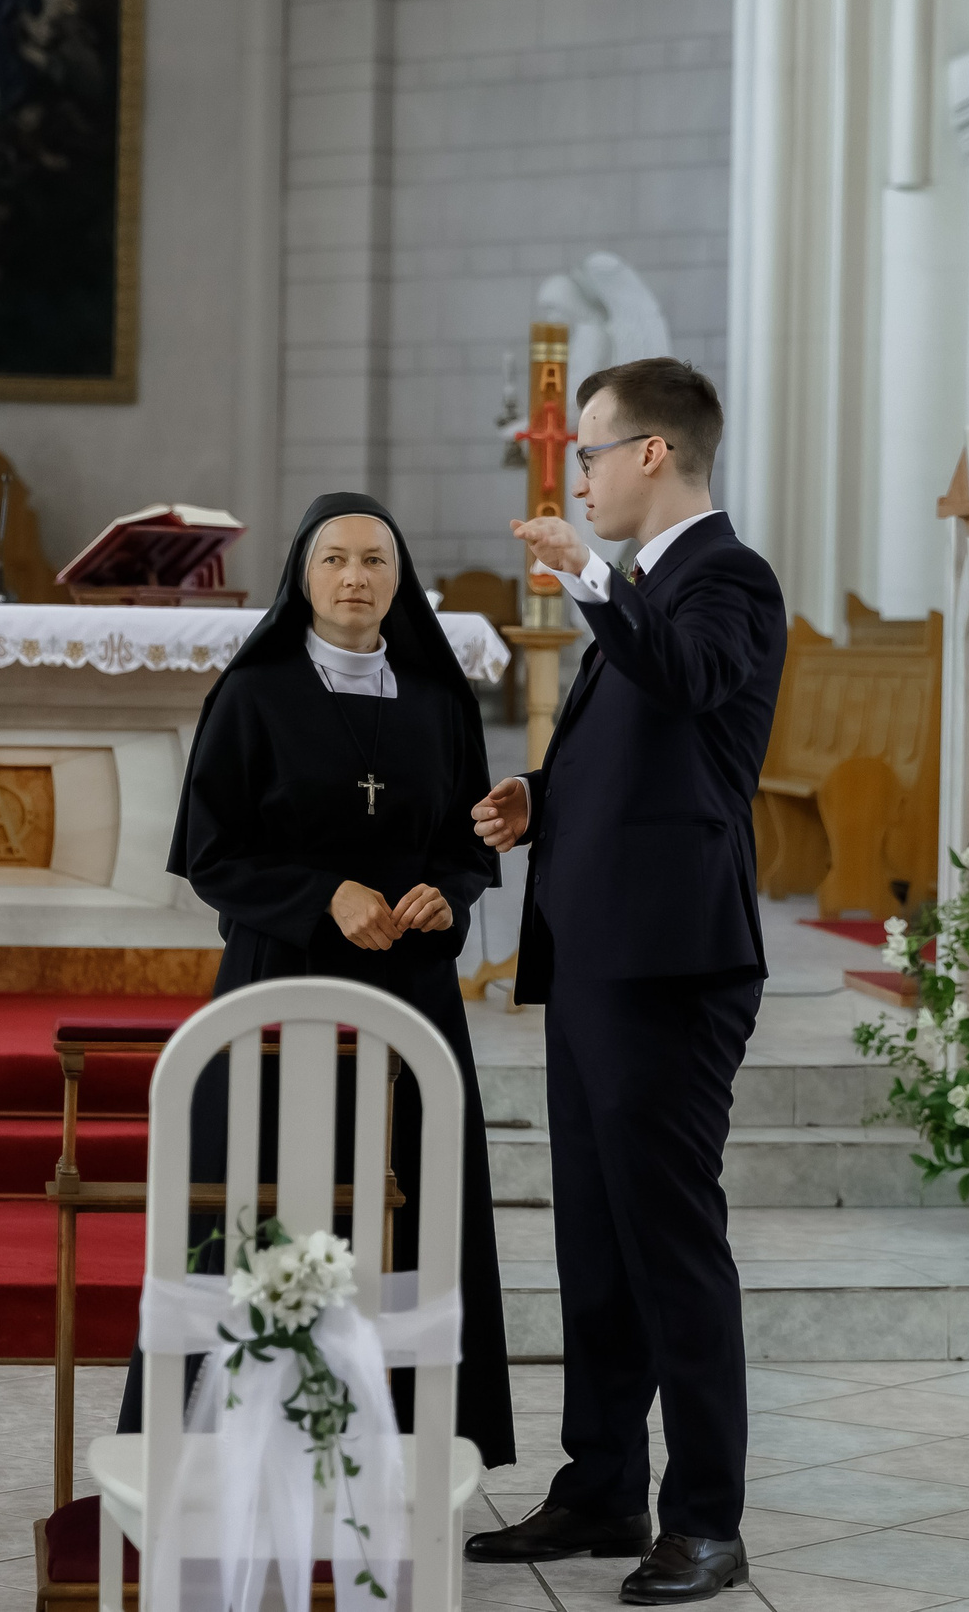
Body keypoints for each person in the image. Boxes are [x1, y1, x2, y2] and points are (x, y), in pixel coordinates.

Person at [464, 358, 784, 1603]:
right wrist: (539, 800)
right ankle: (600, 1484)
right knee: (596, 1244)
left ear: (653, 453)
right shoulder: (650, 588)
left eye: (588, 453)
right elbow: (657, 757)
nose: (578, 477)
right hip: (601, 953)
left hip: (671, 964)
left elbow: (695, 685)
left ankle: (705, 1516)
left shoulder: (724, 580)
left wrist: (589, 579)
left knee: (667, 1242)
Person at [114, 493, 517, 1468]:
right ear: (302, 574)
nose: (354, 578)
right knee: (261, 1198)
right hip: (278, 985)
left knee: (411, 1207)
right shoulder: (253, 696)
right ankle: (222, 1446)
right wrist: (321, 896)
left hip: (410, 997)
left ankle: (411, 1454)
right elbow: (211, 854)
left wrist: (444, 898)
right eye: (334, 559)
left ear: (398, 578)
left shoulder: (435, 698)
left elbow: (468, 846)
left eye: (375, 560)